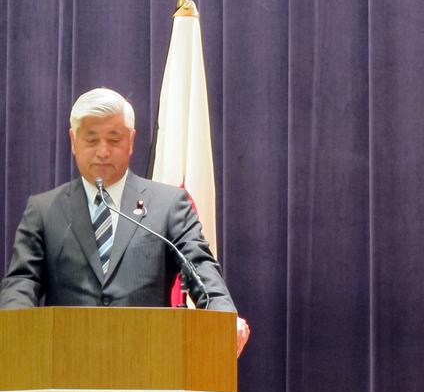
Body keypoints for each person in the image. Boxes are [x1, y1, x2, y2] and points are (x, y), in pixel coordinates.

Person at [0, 87, 250, 357]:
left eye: (113, 139)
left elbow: (199, 266)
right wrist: (14, 328)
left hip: (148, 365)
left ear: (131, 141)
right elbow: (23, 280)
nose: (103, 152)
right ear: (73, 141)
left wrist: (222, 316)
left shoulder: (168, 205)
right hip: (64, 364)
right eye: (91, 140)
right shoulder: (44, 210)